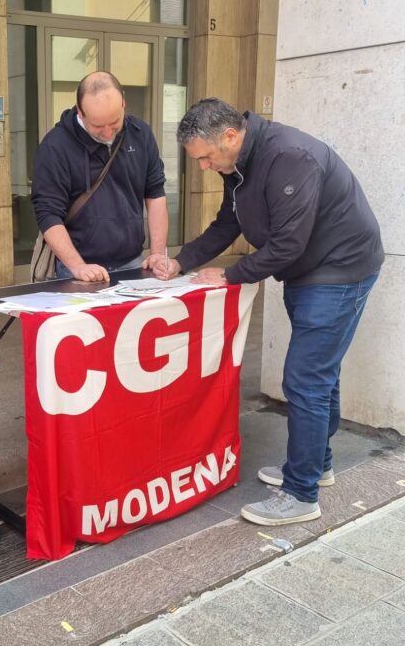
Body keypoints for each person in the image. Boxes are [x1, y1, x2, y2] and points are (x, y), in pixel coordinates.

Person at [154, 98, 383, 526]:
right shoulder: (238, 164)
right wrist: (181, 262)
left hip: (339, 271)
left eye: (205, 157)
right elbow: (229, 222)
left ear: (230, 136)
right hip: (310, 271)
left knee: (305, 379)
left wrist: (231, 275)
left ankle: (301, 493)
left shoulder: (287, 156)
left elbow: (287, 244)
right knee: (318, 374)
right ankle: (317, 463)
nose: (203, 167)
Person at [31, 71, 168, 282]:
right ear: (80, 111)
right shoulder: (55, 147)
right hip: (79, 267)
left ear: (123, 102)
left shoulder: (141, 134)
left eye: (114, 123)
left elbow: (155, 193)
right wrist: (78, 267)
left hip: (132, 262)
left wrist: (158, 252)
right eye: (97, 126)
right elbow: (48, 214)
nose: (107, 133)